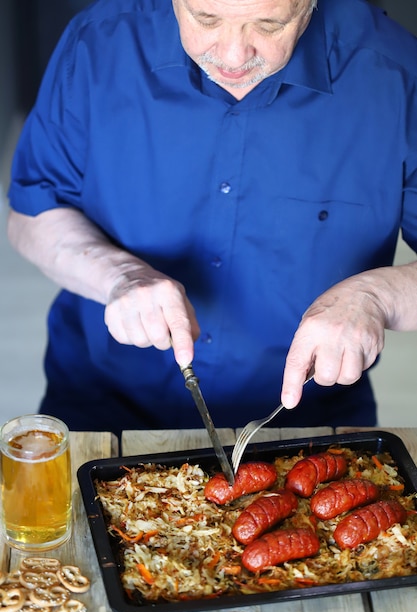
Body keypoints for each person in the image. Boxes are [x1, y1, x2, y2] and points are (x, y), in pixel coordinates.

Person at [7, 0, 417, 437]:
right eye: (206, 19)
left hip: (309, 425)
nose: (233, 56)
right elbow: (31, 215)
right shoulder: (98, 43)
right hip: (105, 408)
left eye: (269, 24)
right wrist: (118, 275)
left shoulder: (397, 73)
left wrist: (378, 296)